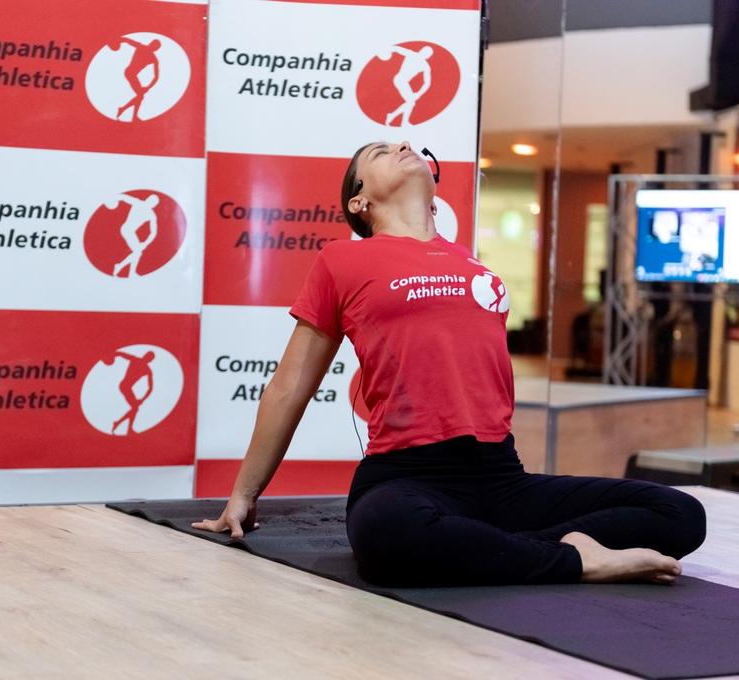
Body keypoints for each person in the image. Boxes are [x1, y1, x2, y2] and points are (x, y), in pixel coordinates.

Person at [194, 141, 707, 587]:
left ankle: (510, 549)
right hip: (407, 475)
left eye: (406, 144)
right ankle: (577, 560)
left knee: (680, 513)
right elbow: (290, 386)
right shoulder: (341, 261)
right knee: (388, 535)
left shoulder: (469, 260)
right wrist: (243, 495)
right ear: (359, 201)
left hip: (500, 476)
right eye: (381, 152)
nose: (402, 146)